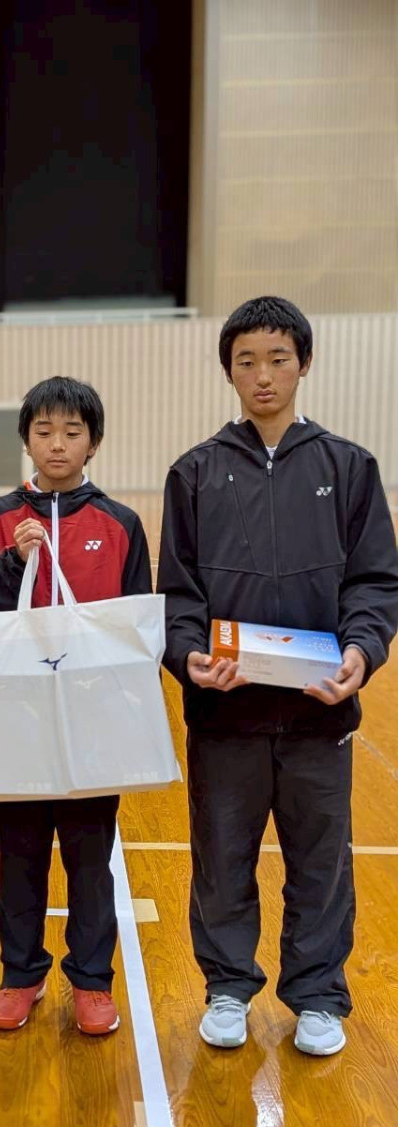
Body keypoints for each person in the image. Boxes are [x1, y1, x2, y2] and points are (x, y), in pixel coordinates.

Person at [158, 295, 398, 1056]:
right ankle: (228, 987)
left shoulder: (348, 467)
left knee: (320, 862)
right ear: (228, 371)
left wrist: (361, 652)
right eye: (247, 362)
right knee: (221, 858)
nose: (263, 375)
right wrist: (188, 658)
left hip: (319, 715)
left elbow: (374, 582)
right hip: (225, 716)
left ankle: (318, 996)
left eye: (278, 359)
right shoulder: (195, 472)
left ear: (304, 363)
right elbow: (178, 594)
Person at [0, 376, 151, 1034]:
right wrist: (10, 563)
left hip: (93, 724)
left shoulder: (121, 524)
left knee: (89, 859)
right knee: (19, 856)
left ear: (92, 443)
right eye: (44, 431)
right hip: (15, 722)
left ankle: (92, 980)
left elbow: (138, 628)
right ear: (25, 439)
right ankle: (21, 974)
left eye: (72, 432)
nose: (57, 443)